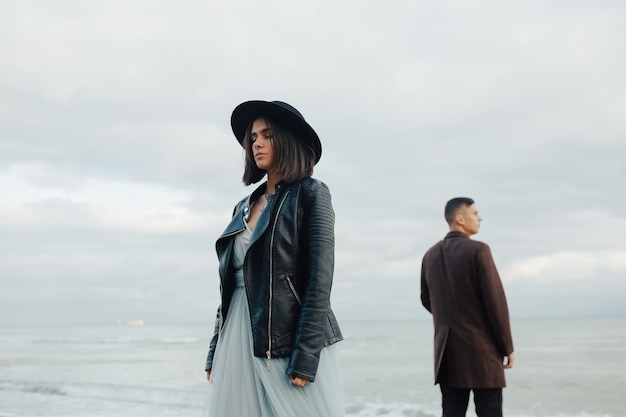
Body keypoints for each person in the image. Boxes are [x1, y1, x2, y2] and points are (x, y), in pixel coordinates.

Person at [204, 100, 345, 417]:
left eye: (267, 135)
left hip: (284, 337)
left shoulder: (312, 193)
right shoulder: (242, 206)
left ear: (288, 139)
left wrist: (306, 355)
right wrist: (215, 350)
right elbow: (229, 285)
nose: (257, 143)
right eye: (253, 137)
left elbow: (319, 280)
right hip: (237, 335)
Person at [420, 197, 514, 417]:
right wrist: (507, 346)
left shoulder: (430, 255)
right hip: (483, 352)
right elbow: (495, 302)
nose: (479, 218)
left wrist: (450, 314)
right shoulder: (479, 250)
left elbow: (426, 298)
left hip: (447, 353)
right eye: (475, 213)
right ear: (460, 219)